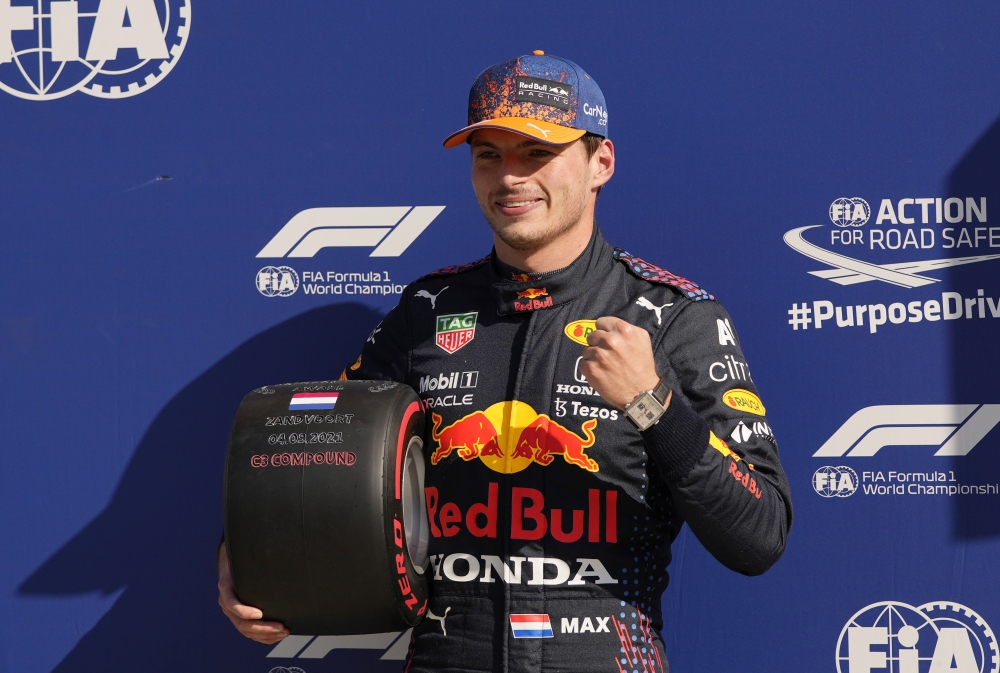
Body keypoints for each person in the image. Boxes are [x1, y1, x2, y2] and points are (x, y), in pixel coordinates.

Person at [218, 51, 792, 672]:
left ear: (601, 163)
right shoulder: (427, 310)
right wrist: (246, 559)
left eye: (537, 152)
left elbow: (759, 536)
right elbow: (322, 465)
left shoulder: (674, 317)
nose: (510, 177)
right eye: (488, 154)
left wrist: (653, 404)